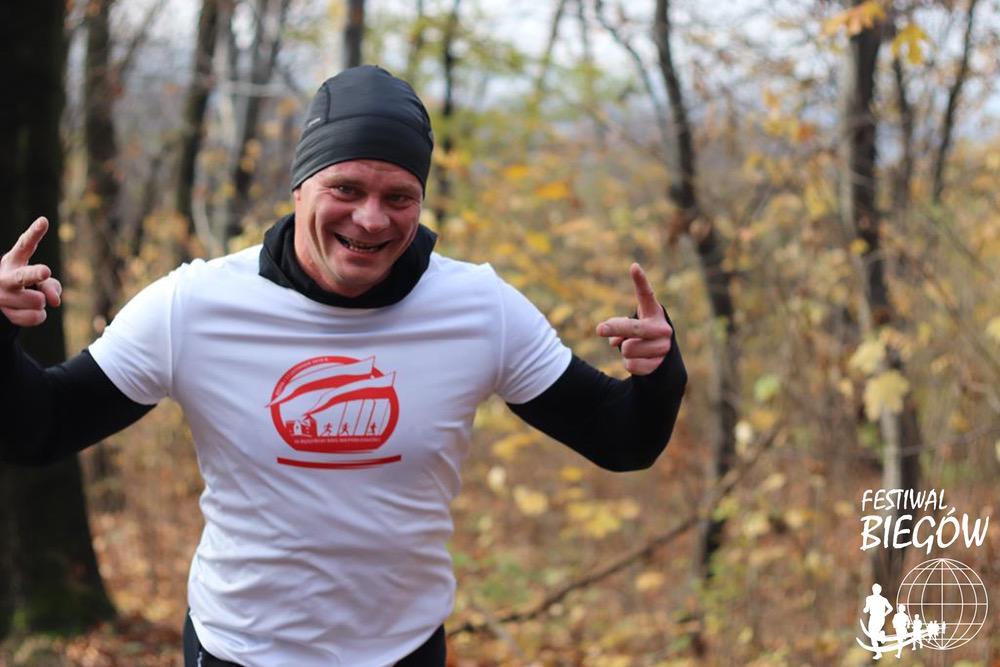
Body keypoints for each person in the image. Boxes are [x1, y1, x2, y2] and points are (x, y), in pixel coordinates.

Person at [0, 66, 686, 667]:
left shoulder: (479, 308)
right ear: (299, 187)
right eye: (347, 188)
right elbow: (40, 429)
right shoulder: (195, 306)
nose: (371, 219)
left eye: (399, 197)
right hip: (239, 650)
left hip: (403, 651)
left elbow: (620, 439)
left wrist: (659, 371)